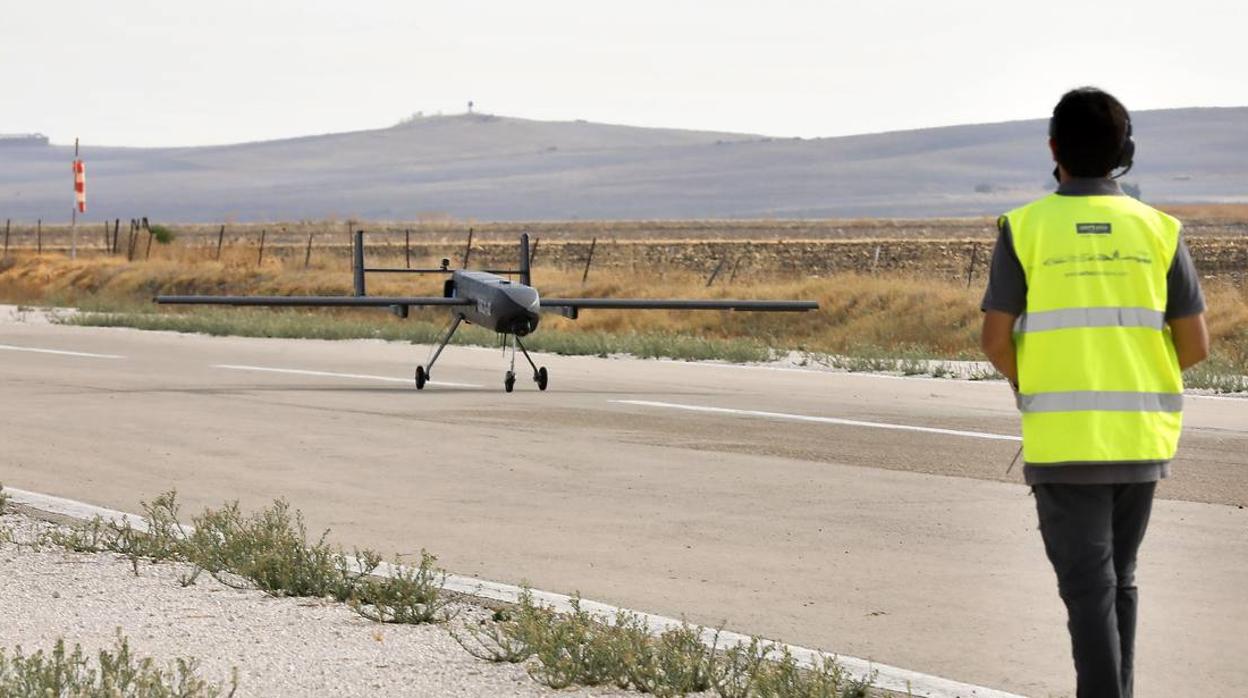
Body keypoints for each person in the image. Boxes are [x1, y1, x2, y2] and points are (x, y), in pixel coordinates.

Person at [979, 87, 1210, 698]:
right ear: (1124, 151)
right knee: (1118, 579)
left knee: (1087, 591)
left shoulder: (1024, 228)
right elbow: (1195, 344)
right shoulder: (1159, 229)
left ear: (1053, 148)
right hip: (1140, 438)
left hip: (1064, 444)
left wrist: (1034, 380)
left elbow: (995, 340)